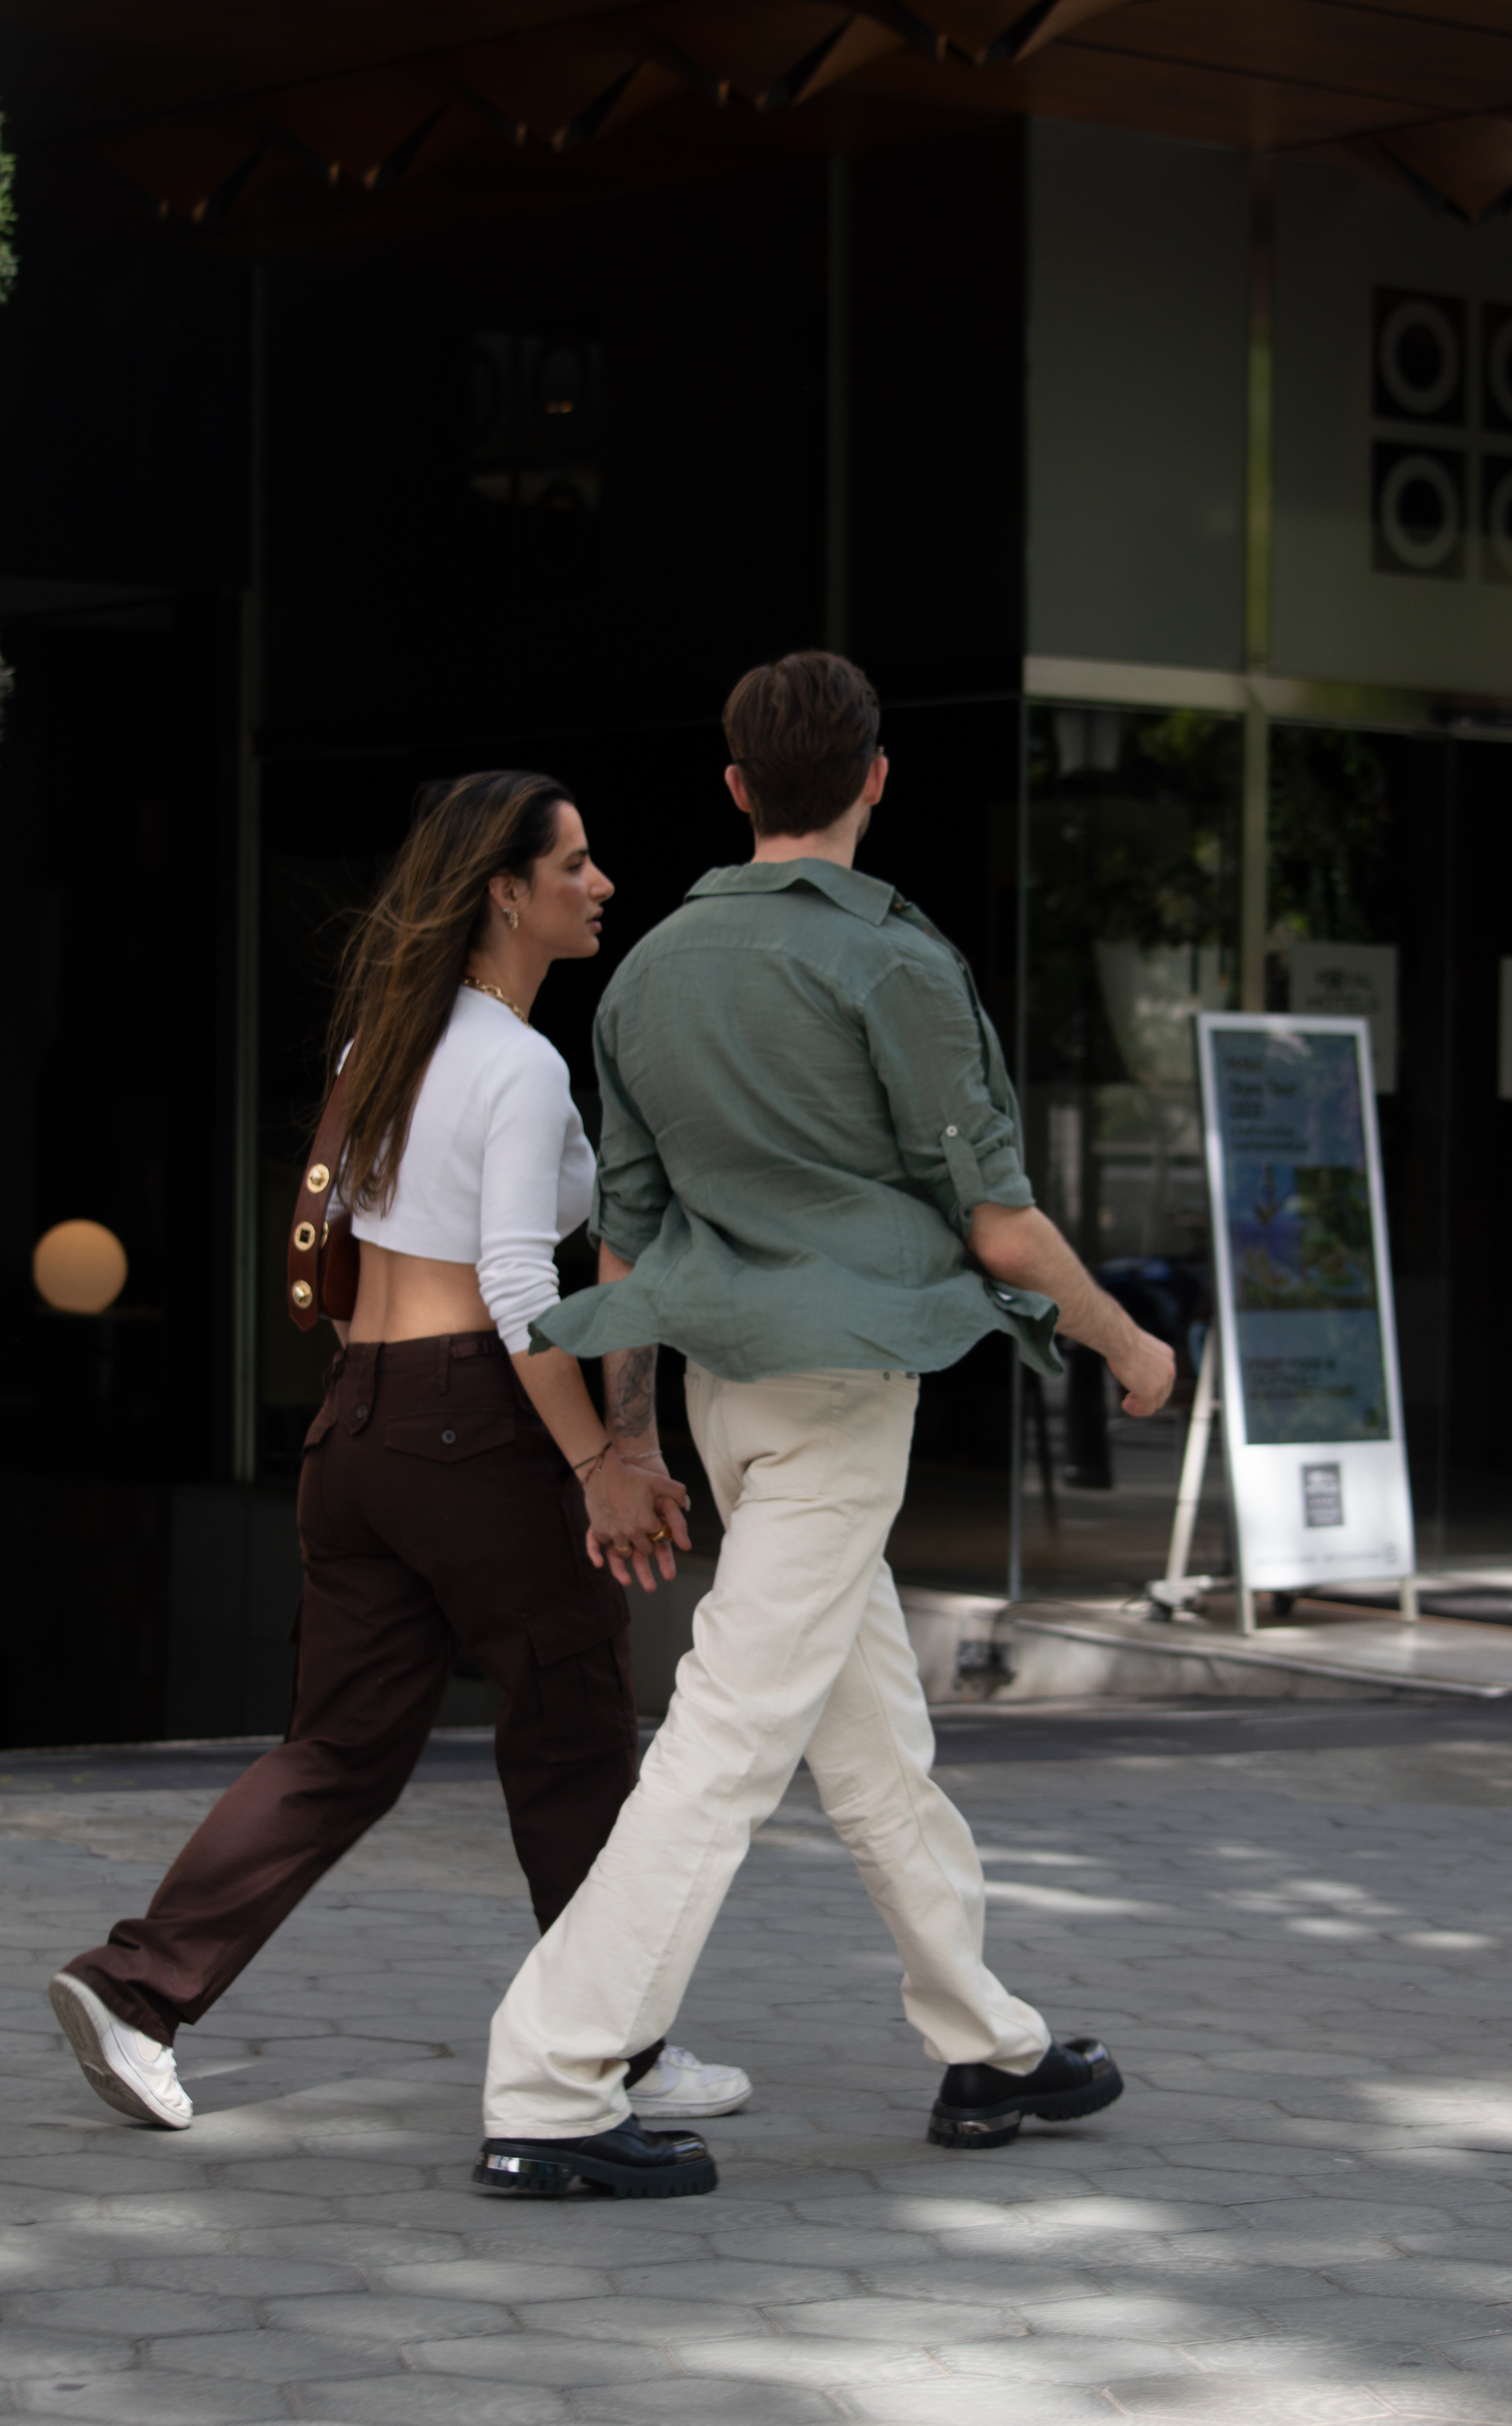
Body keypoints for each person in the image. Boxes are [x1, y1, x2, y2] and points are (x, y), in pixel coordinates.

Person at [470, 656, 1176, 2204]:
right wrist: (1126, 1345)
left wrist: (632, 1444)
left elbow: (626, 1247)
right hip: (841, 1398)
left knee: (871, 1737)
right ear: (875, 779)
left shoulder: (648, 971)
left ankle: (988, 2042)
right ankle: (553, 2080)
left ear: (736, 788)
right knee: (727, 1740)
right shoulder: (895, 963)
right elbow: (999, 1225)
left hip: (721, 1398)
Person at [49, 770, 749, 2135]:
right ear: (507, 892)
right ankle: (615, 2049)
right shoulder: (518, 1066)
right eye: (575, 864)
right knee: (574, 1733)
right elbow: (516, 1284)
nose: (601, 884)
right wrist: (598, 1462)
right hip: (471, 1421)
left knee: (339, 1749)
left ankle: (136, 1990)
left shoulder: (384, 1040)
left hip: (358, 1424)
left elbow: (358, 1255)